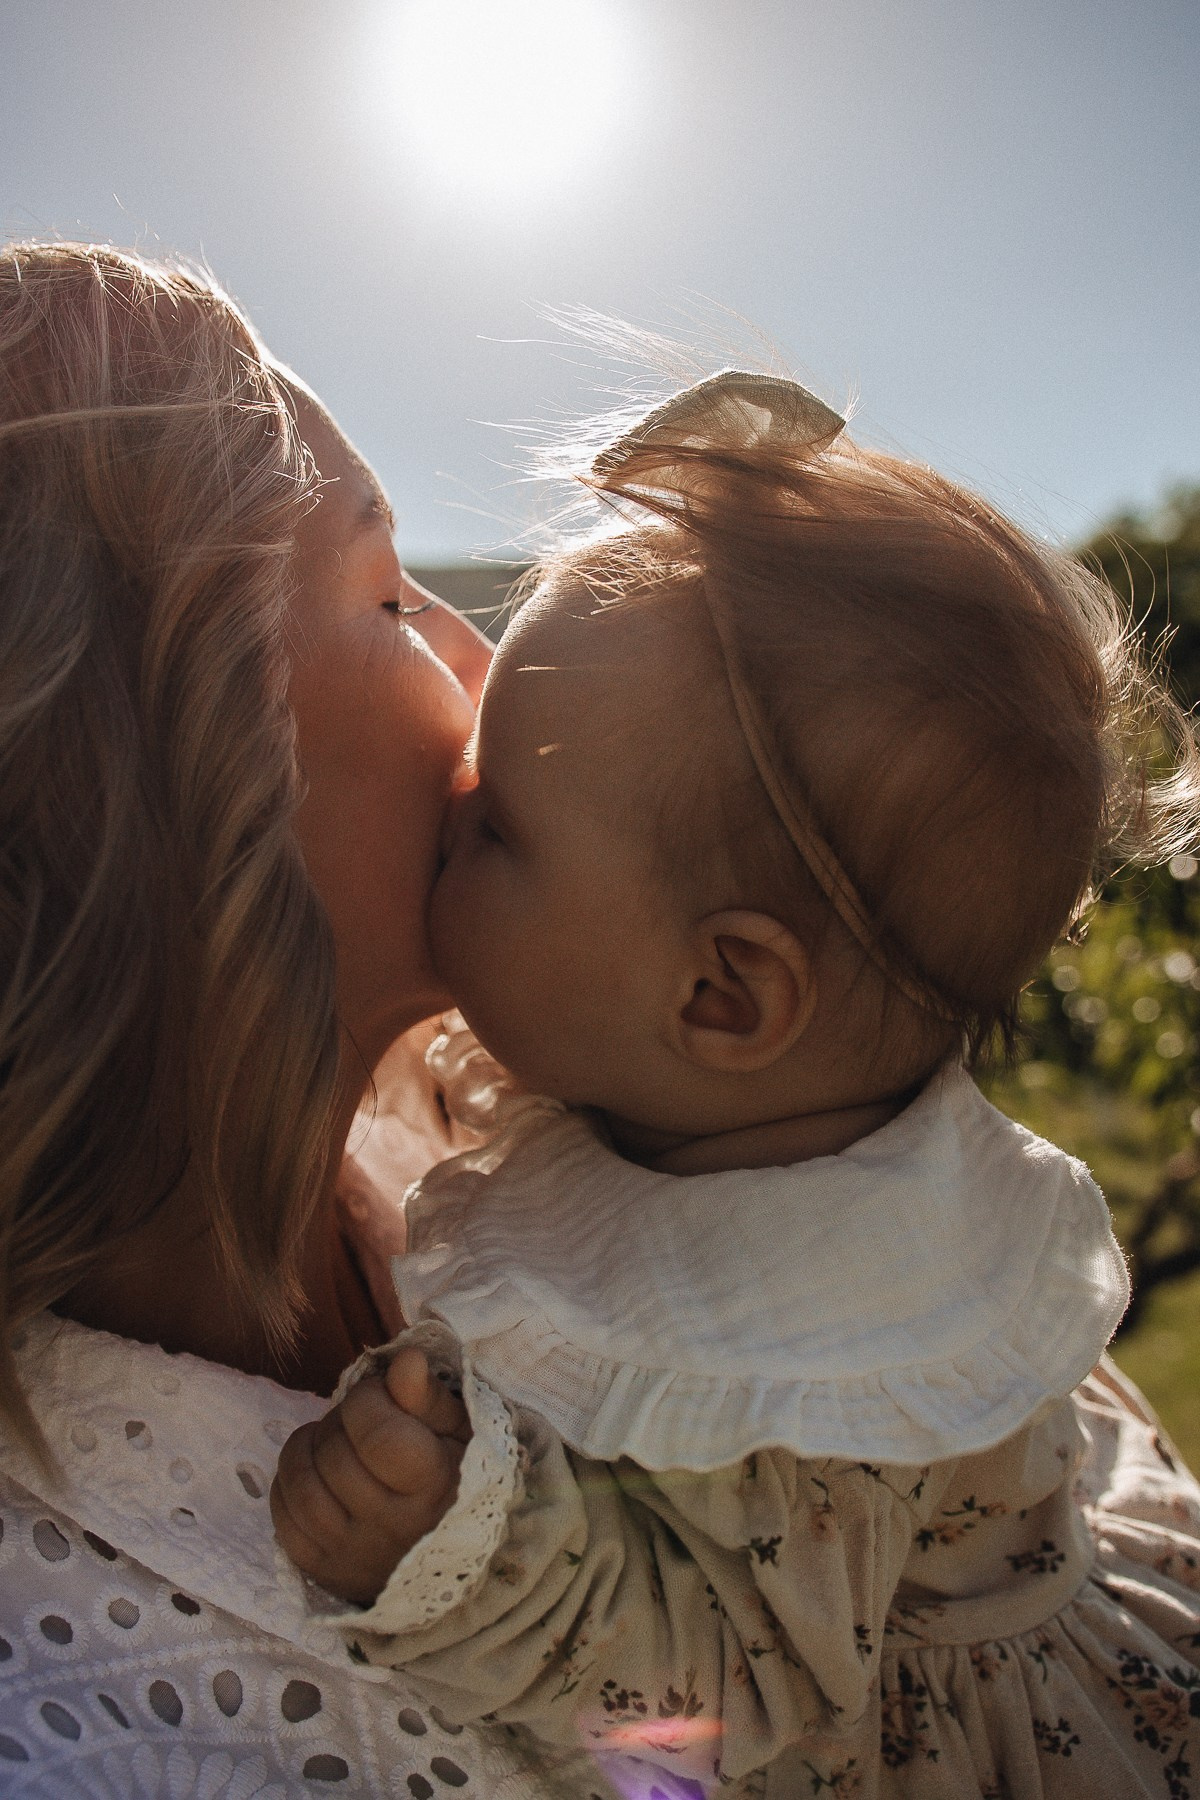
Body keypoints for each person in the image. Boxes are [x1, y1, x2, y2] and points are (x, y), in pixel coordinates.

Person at [271, 372, 1200, 1799]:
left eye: (503, 823)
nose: (452, 783)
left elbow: (738, 1695)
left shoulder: (819, 1353)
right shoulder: (688, 1093)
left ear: (721, 996)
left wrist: (465, 1551)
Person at [0, 240, 593, 1798]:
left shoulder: (501, 1169)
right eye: (393, 597)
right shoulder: (71, 1722)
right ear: (165, 781)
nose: (483, 680)